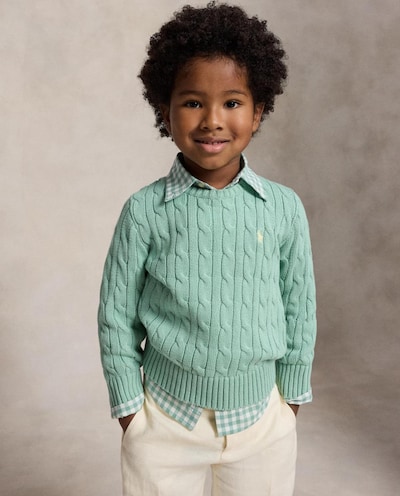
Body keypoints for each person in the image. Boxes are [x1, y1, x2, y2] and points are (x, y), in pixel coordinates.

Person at [98, 2, 317, 495]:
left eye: (232, 103)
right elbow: (116, 315)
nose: (212, 120)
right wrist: (130, 411)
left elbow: (299, 307)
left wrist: (290, 400)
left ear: (258, 112)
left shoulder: (283, 208)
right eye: (193, 102)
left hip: (263, 423)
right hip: (165, 420)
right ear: (165, 111)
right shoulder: (144, 211)